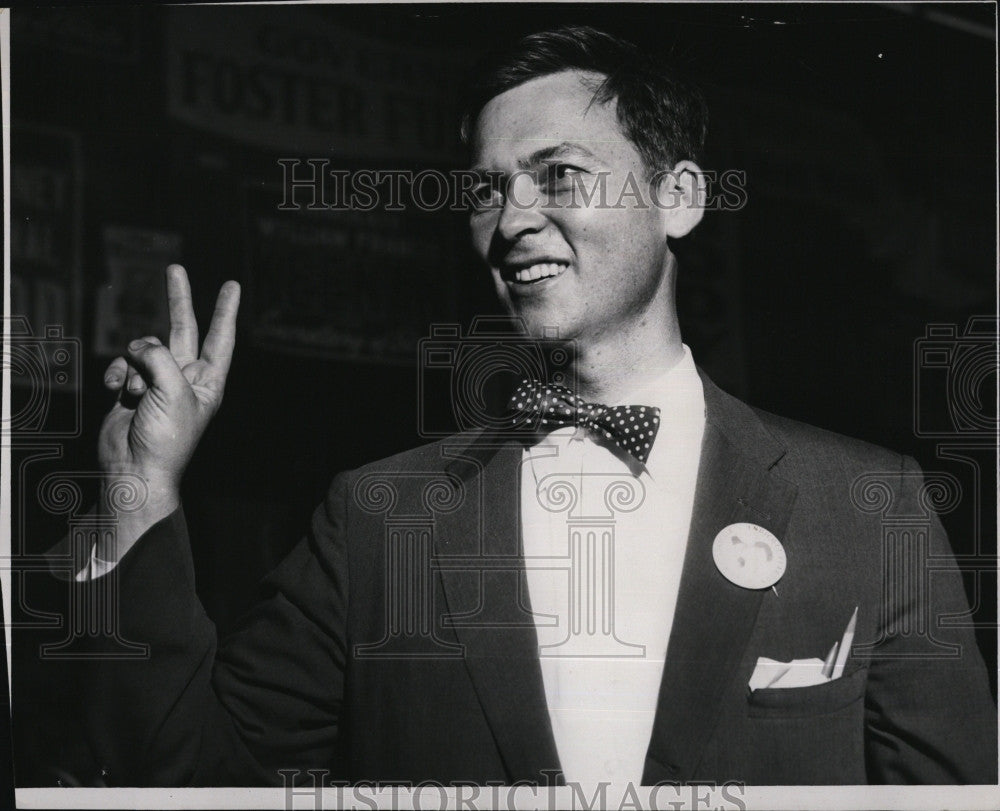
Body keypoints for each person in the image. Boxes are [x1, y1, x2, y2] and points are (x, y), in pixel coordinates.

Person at [58, 26, 995, 787]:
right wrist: (140, 487)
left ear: (679, 197)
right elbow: (181, 777)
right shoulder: (378, 519)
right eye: (487, 191)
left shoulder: (866, 506)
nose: (511, 221)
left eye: (560, 175)